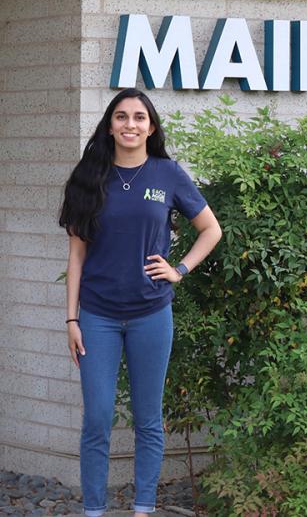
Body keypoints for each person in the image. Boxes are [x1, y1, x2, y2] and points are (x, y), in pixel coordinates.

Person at [59, 88, 222, 517]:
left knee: (148, 419)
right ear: (110, 126)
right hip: (97, 316)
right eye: (121, 117)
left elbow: (211, 230)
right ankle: (93, 509)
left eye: (139, 117)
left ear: (151, 127)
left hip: (152, 314)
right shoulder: (89, 176)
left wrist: (179, 269)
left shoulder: (168, 174)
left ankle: (143, 508)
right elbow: (76, 254)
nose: (130, 124)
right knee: (97, 417)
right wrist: (71, 317)